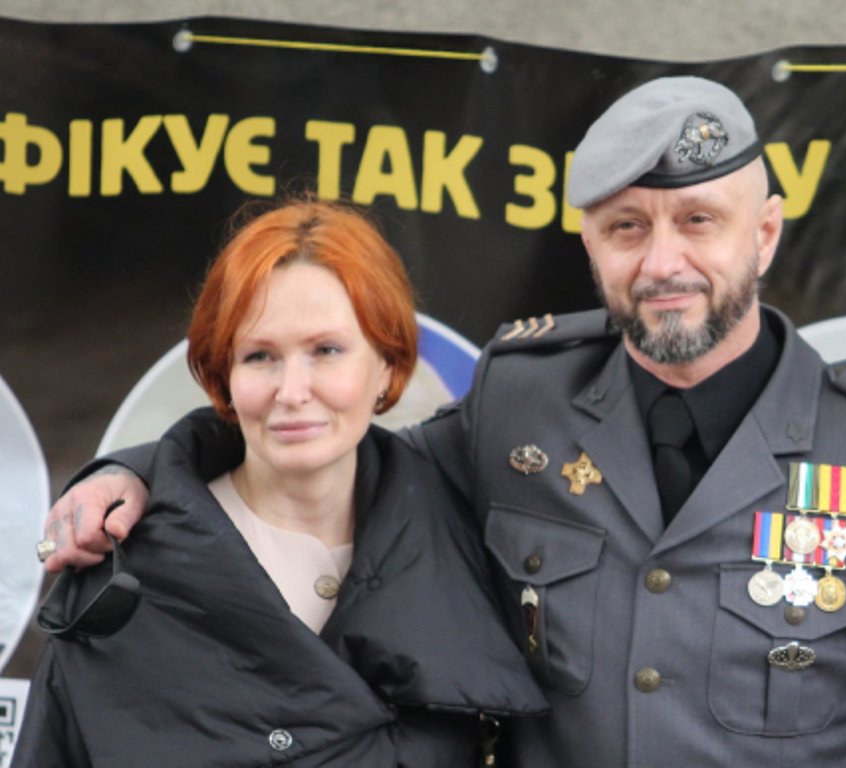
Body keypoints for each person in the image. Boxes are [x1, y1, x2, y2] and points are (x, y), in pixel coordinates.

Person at [37, 77, 846, 767]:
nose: (663, 262)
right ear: (591, 244)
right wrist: (135, 475)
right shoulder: (521, 399)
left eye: (699, 221)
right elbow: (338, 454)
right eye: (627, 227)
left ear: (763, 233)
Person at [17, 200, 546, 767]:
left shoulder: (469, 540)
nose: (292, 391)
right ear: (223, 375)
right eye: (260, 356)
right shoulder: (124, 580)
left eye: (327, 351)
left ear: (388, 366)